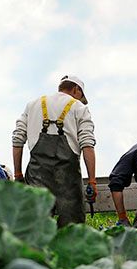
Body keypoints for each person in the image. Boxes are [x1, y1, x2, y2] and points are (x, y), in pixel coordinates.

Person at [11, 75, 97, 227]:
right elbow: (87, 145)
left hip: (37, 176)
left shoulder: (32, 105)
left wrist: (18, 174)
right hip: (68, 179)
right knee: (72, 230)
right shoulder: (79, 108)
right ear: (76, 90)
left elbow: (18, 140)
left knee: (36, 227)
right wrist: (92, 181)